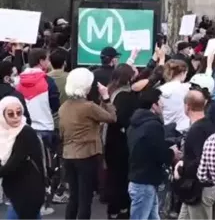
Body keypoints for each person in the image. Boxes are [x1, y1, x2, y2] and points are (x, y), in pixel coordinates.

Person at [59, 68, 117, 220]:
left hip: (68, 154)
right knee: (85, 199)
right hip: (87, 155)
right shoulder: (88, 107)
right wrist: (106, 97)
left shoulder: (64, 107)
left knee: (74, 197)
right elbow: (112, 117)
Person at [127, 88, 182, 220]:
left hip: (139, 178)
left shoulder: (135, 124)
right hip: (146, 181)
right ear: (154, 105)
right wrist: (172, 152)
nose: (163, 105)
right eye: (160, 102)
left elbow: (146, 148)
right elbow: (159, 153)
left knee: (153, 216)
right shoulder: (153, 126)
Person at [174, 90, 215, 220]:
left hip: (199, 188)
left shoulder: (197, 130)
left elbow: (202, 160)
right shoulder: (210, 126)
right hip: (199, 188)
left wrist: (182, 169)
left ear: (187, 106)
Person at [0, 96, 45, 220]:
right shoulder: (3, 132)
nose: (16, 117)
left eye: (19, 112)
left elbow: (14, 162)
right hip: (15, 188)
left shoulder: (25, 132)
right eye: (10, 114)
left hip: (28, 189)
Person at [105, 64, 139, 220]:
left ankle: (113, 210)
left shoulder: (111, 91)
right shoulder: (126, 97)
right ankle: (121, 209)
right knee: (121, 177)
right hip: (121, 142)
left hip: (110, 140)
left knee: (113, 176)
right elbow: (124, 120)